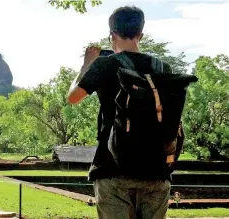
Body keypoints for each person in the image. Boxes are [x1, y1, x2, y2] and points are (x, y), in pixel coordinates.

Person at [67, 6, 175, 219]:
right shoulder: (162, 68)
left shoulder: (104, 65)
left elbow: (73, 97)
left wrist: (86, 64)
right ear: (141, 34)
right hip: (157, 170)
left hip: (112, 168)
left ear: (112, 34)